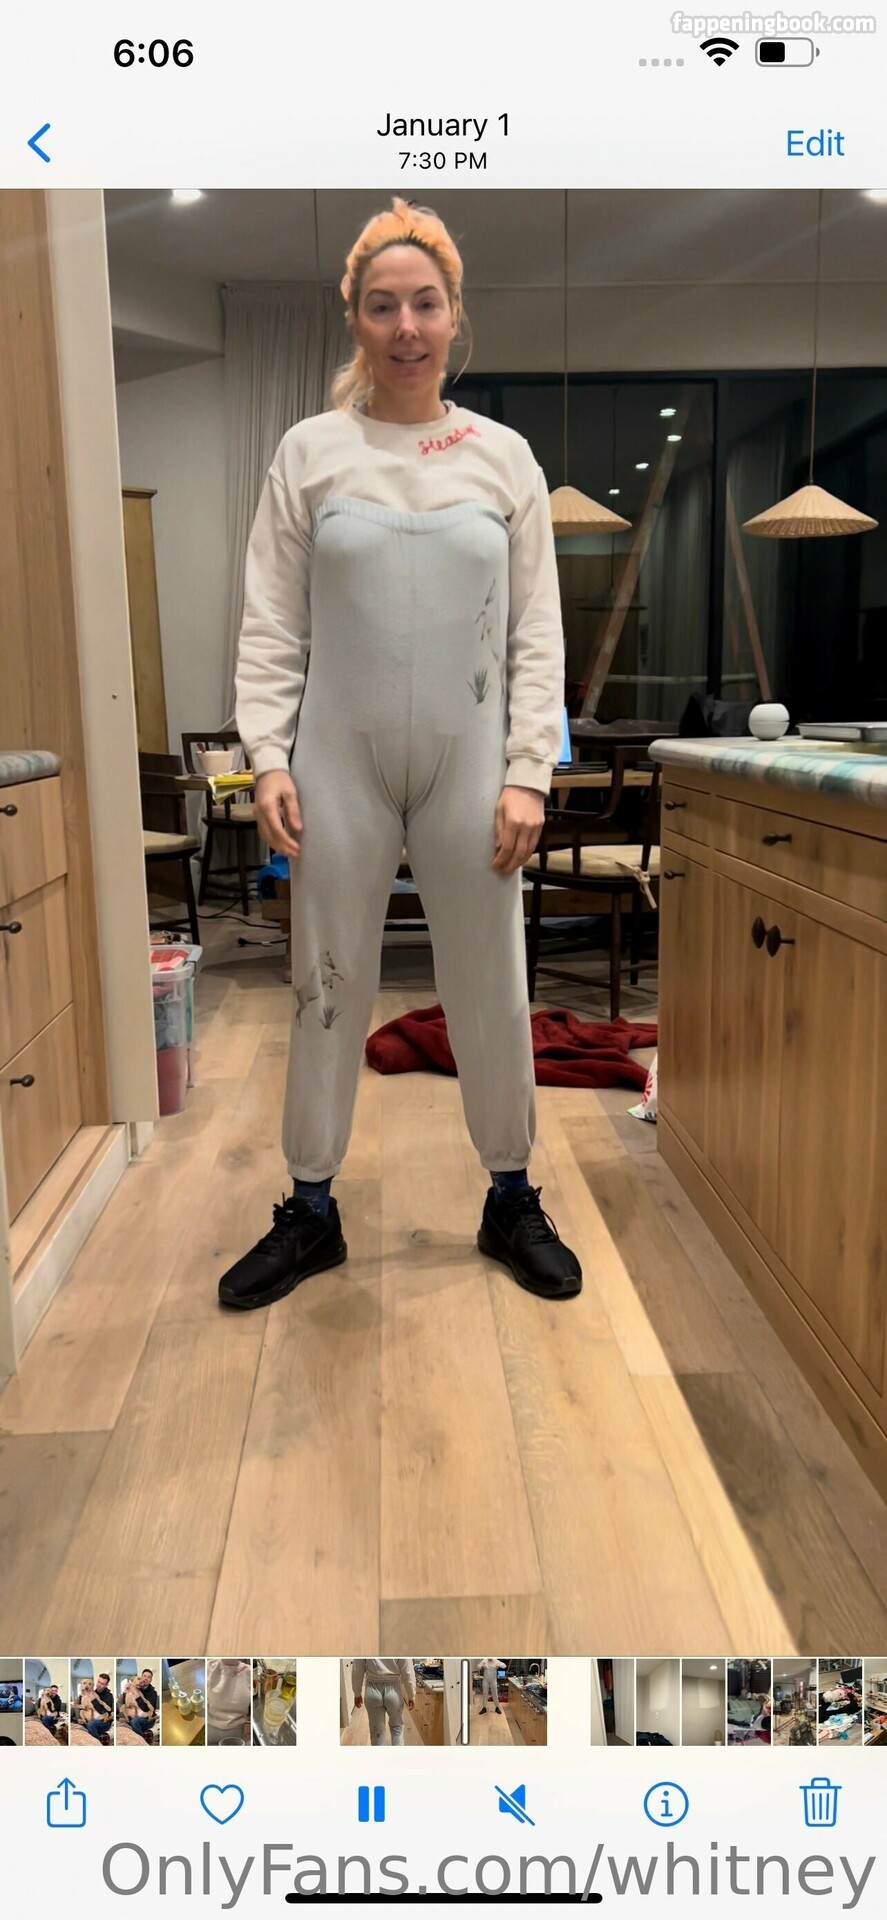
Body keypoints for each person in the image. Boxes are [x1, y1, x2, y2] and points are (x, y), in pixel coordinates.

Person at [219, 196, 582, 1313]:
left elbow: (535, 633)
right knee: (324, 981)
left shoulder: (503, 459)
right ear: (355, 320)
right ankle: (309, 1208)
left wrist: (527, 772)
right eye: (383, 306)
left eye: (425, 303)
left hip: (472, 769)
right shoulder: (310, 452)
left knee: (492, 981)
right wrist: (266, 755)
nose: (406, 326)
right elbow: (270, 621)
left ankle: (509, 1195)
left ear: (454, 315)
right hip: (338, 764)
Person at [352, 1657, 416, 1747]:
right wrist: (411, 1695)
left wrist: (357, 1693)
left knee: (377, 1733)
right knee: (397, 1728)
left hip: (372, 1689)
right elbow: (407, 1670)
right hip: (394, 1690)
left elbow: (357, 1670)